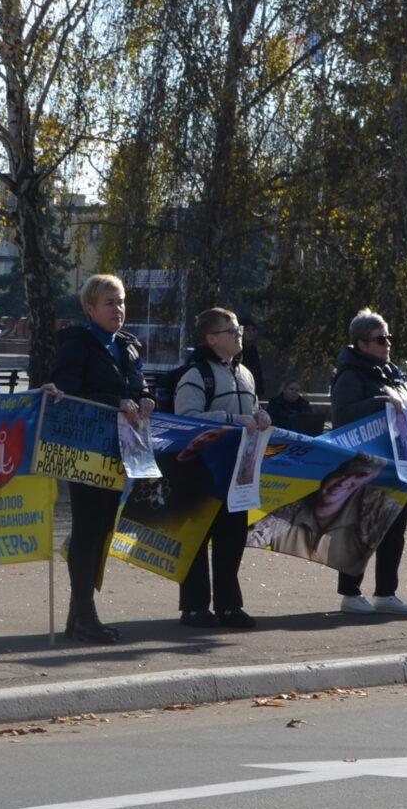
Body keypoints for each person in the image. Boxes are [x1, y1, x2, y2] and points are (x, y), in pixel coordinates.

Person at [47, 273, 147, 642]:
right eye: (109, 303)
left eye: (121, 302)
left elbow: (136, 385)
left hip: (121, 451)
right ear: (89, 308)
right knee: (87, 532)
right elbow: (68, 392)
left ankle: (79, 617)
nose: (118, 309)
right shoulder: (78, 344)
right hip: (86, 450)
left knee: (103, 530)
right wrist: (115, 403)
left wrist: (146, 398)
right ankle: (85, 616)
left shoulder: (128, 345)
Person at [171, 307, 275, 629]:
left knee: (231, 539)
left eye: (239, 330)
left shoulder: (245, 373)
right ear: (211, 338)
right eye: (232, 331)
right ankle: (194, 608)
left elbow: (252, 408)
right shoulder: (195, 374)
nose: (239, 335)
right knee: (197, 537)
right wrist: (233, 421)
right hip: (200, 470)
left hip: (237, 470)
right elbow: (185, 417)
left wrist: (261, 417)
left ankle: (230, 606)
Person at [330, 310, 407, 612]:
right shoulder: (349, 375)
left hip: (397, 462)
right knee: (361, 528)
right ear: (361, 343)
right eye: (380, 339)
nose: (387, 344)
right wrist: (381, 403)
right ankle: (350, 593)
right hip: (364, 464)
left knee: (394, 529)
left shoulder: (393, 372)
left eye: (388, 338)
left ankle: (386, 593)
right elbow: (342, 416)